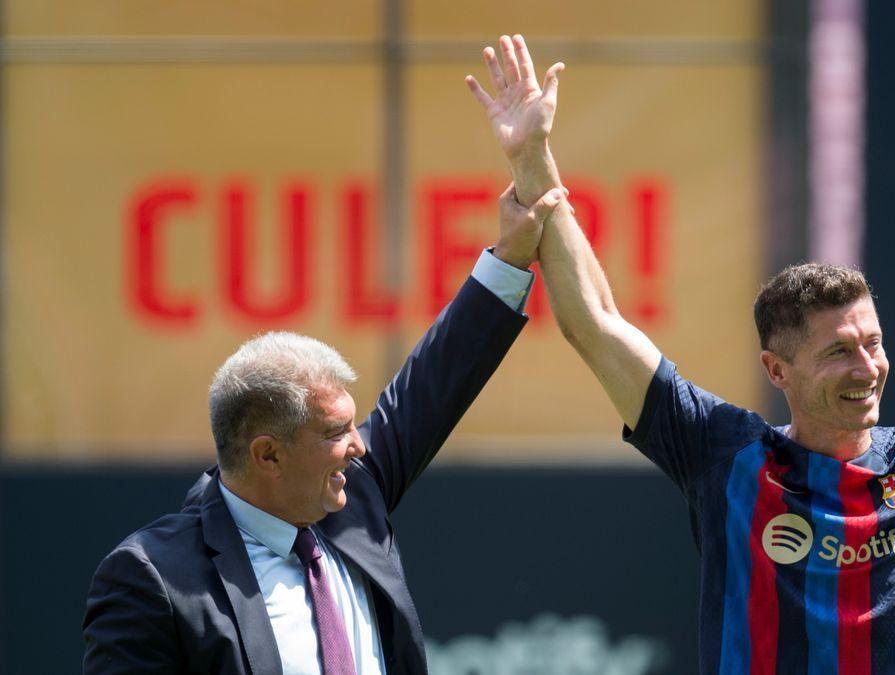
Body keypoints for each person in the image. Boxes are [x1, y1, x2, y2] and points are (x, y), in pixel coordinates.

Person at [466, 36, 895, 672]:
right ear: (777, 370)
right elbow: (595, 321)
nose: (867, 368)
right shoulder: (725, 455)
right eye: (839, 351)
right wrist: (534, 157)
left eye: (873, 343)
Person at [82, 186, 564, 674]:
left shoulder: (352, 495)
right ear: (268, 455)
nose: (359, 445)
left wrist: (511, 254)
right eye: (336, 432)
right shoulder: (153, 577)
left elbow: (436, 381)